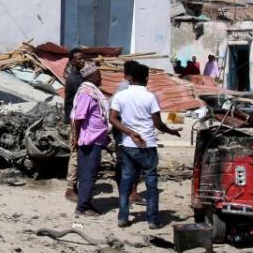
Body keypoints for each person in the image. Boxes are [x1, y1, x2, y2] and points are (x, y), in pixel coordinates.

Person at [109, 63, 182, 229]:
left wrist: (129, 132)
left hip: (127, 144)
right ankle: (152, 220)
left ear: (130, 78)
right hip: (147, 145)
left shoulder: (121, 95)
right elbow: (158, 123)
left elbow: (112, 119)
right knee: (151, 182)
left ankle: (123, 217)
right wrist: (170, 131)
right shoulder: (150, 96)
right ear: (147, 78)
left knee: (126, 181)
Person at [70, 63, 109, 216]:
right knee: (87, 174)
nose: (101, 77)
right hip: (88, 141)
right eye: (99, 74)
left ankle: (86, 202)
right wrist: (76, 137)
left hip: (96, 139)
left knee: (90, 173)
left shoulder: (93, 92)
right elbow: (78, 117)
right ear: (92, 76)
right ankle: (82, 207)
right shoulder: (86, 93)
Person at [114, 61, 144, 205]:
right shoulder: (124, 88)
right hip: (124, 130)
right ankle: (125, 194)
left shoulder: (129, 87)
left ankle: (132, 192)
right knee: (125, 162)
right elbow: (115, 112)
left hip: (129, 130)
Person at [63, 48, 85, 203]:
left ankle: (75, 186)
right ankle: (70, 188)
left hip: (78, 120)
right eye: (78, 59)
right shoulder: (74, 80)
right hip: (74, 121)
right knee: (75, 154)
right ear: (71, 61)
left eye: (82, 58)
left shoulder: (80, 77)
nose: (81, 61)